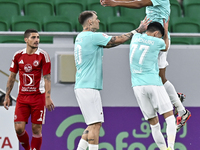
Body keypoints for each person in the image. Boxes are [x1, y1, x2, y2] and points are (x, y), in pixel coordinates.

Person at [100, 0, 191, 131]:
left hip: (158, 38)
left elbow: (139, 4)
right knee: (157, 77)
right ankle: (177, 101)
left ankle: (181, 110)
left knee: (160, 78)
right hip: (149, 37)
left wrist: (115, 3)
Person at [74, 10, 150, 150]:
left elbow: (109, 44)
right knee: (95, 125)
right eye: (96, 19)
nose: (99, 21)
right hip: (88, 86)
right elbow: (117, 40)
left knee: (92, 124)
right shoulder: (92, 36)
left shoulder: (81, 37)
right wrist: (137, 31)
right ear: (90, 22)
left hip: (83, 85)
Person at [3, 29, 55, 150]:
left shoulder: (43, 55)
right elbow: (12, 76)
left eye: (38, 37)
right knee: (18, 128)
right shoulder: (18, 55)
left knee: (36, 129)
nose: (37, 40)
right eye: (33, 37)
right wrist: (7, 95)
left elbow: (47, 77)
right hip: (22, 97)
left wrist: (48, 97)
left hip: (38, 97)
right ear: (26, 40)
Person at [130, 20, 176, 150]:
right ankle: (170, 147)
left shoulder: (135, 37)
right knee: (169, 116)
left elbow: (138, 31)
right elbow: (166, 46)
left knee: (154, 124)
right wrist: (166, 33)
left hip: (137, 86)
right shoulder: (157, 42)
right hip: (153, 83)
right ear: (156, 34)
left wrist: (140, 27)